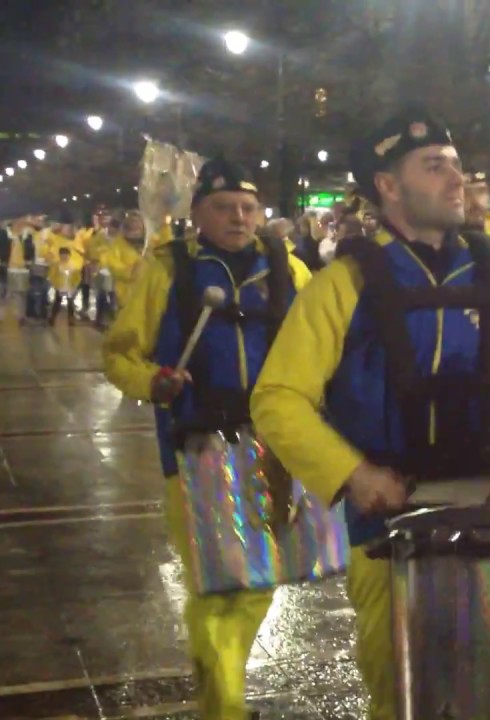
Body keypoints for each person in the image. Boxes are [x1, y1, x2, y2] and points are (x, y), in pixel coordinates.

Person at [249, 107, 490, 720]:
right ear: (388, 186)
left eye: (458, 167)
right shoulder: (343, 283)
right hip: (390, 531)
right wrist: (354, 475)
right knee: (405, 694)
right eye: (436, 166)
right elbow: (278, 398)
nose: (457, 181)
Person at [102, 157, 312, 720]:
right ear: (197, 214)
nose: (239, 218)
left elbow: (325, 349)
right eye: (224, 208)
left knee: (261, 583)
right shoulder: (169, 272)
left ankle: (222, 696)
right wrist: (153, 381)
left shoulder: (289, 269)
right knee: (218, 588)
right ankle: (223, 707)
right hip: (200, 446)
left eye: (248, 207)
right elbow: (119, 352)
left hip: (276, 448)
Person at [49, 247, 79, 326]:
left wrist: (75, 284)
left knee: (70, 303)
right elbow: (52, 275)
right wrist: (54, 285)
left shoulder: (73, 265)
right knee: (57, 302)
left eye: (66, 254)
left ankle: (71, 319)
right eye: (62, 254)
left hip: (69, 286)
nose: (64, 256)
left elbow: (77, 276)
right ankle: (52, 317)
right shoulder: (57, 264)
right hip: (60, 286)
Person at [0, 221, 11, 298]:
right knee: (4, 276)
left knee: (3, 275)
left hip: (3, 257)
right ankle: (4, 292)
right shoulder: (4, 233)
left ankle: (4, 291)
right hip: (4, 258)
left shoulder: (4, 232)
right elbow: (7, 246)